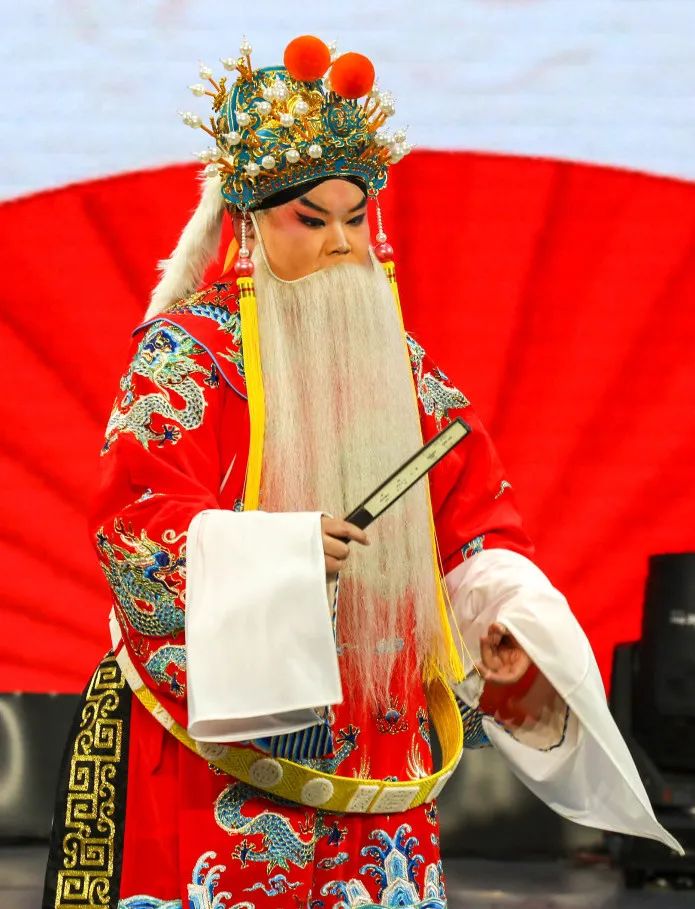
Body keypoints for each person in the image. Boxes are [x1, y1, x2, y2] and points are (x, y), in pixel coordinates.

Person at [43, 34, 680, 909]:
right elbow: (136, 531)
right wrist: (282, 559)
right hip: (212, 761)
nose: (343, 243)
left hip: (378, 757)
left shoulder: (400, 367)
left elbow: (475, 523)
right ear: (248, 221)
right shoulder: (185, 358)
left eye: (356, 217)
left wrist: (499, 617)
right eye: (312, 220)